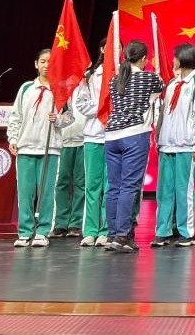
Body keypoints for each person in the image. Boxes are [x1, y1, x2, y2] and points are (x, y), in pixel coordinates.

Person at [8, 49, 74, 247]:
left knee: (46, 192)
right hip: (26, 147)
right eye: (43, 61)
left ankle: (43, 231)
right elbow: (16, 116)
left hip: (49, 148)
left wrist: (58, 119)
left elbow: (70, 116)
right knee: (25, 192)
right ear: (36, 64)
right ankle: (25, 231)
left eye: (50, 62)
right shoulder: (26, 88)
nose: (46, 65)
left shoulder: (60, 89)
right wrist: (13, 138)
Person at [105, 40, 163, 253]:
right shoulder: (149, 78)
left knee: (114, 187)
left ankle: (113, 234)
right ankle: (122, 236)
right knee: (129, 186)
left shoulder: (115, 79)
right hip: (134, 134)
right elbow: (160, 90)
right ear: (144, 59)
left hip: (112, 136)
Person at [152, 43, 195, 248]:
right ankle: (163, 230)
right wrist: (159, 137)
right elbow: (163, 113)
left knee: (184, 191)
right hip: (167, 144)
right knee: (164, 190)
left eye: (175, 57)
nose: (173, 60)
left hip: (187, 145)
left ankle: (187, 232)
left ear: (184, 58)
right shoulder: (172, 84)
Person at [74, 41, 108, 248]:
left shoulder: (124, 74)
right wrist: (103, 106)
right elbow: (81, 104)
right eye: (111, 46)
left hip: (115, 137)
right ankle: (90, 230)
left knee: (110, 187)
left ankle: (106, 230)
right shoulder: (90, 75)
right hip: (93, 136)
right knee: (92, 186)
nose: (116, 50)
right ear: (102, 49)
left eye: (119, 47)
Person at [52, 54, 87, 240]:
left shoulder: (87, 86)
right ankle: (61, 223)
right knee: (62, 182)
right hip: (64, 141)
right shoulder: (60, 88)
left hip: (83, 140)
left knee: (81, 183)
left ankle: (76, 223)